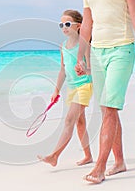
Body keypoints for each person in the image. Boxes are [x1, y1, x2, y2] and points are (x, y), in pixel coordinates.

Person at [75, 0, 135, 184]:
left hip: (122, 49)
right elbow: (87, 23)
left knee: (110, 108)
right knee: (105, 108)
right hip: (96, 52)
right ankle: (119, 162)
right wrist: (81, 56)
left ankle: (100, 167)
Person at [37, 10, 93, 167]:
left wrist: (84, 69)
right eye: (61, 25)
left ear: (78, 26)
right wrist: (56, 90)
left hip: (84, 85)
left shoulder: (85, 44)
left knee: (69, 119)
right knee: (79, 123)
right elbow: (62, 69)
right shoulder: (63, 46)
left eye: (67, 24)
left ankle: (54, 156)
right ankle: (88, 156)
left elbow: (92, 69)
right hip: (72, 87)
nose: (64, 27)